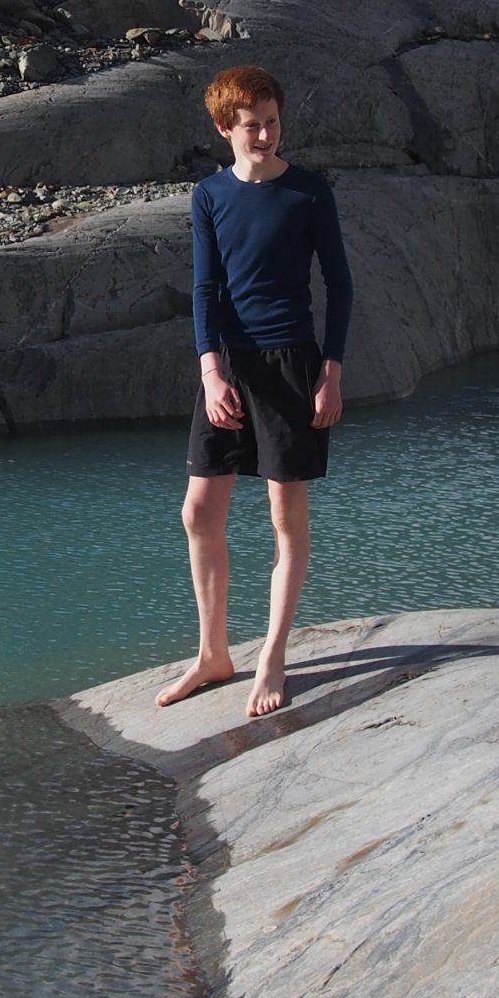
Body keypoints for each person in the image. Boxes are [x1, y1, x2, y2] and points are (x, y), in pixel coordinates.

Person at [158, 65, 351, 718]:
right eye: (250, 126)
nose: (264, 134)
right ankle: (214, 653)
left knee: (284, 520)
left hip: (291, 364)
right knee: (198, 513)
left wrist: (331, 369)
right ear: (224, 129)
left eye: (271, 121)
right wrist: (209, 370)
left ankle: (272, 657)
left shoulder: (309, 193)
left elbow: (341, 287)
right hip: (229, 369)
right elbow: (205, 291)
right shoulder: (209, 196)